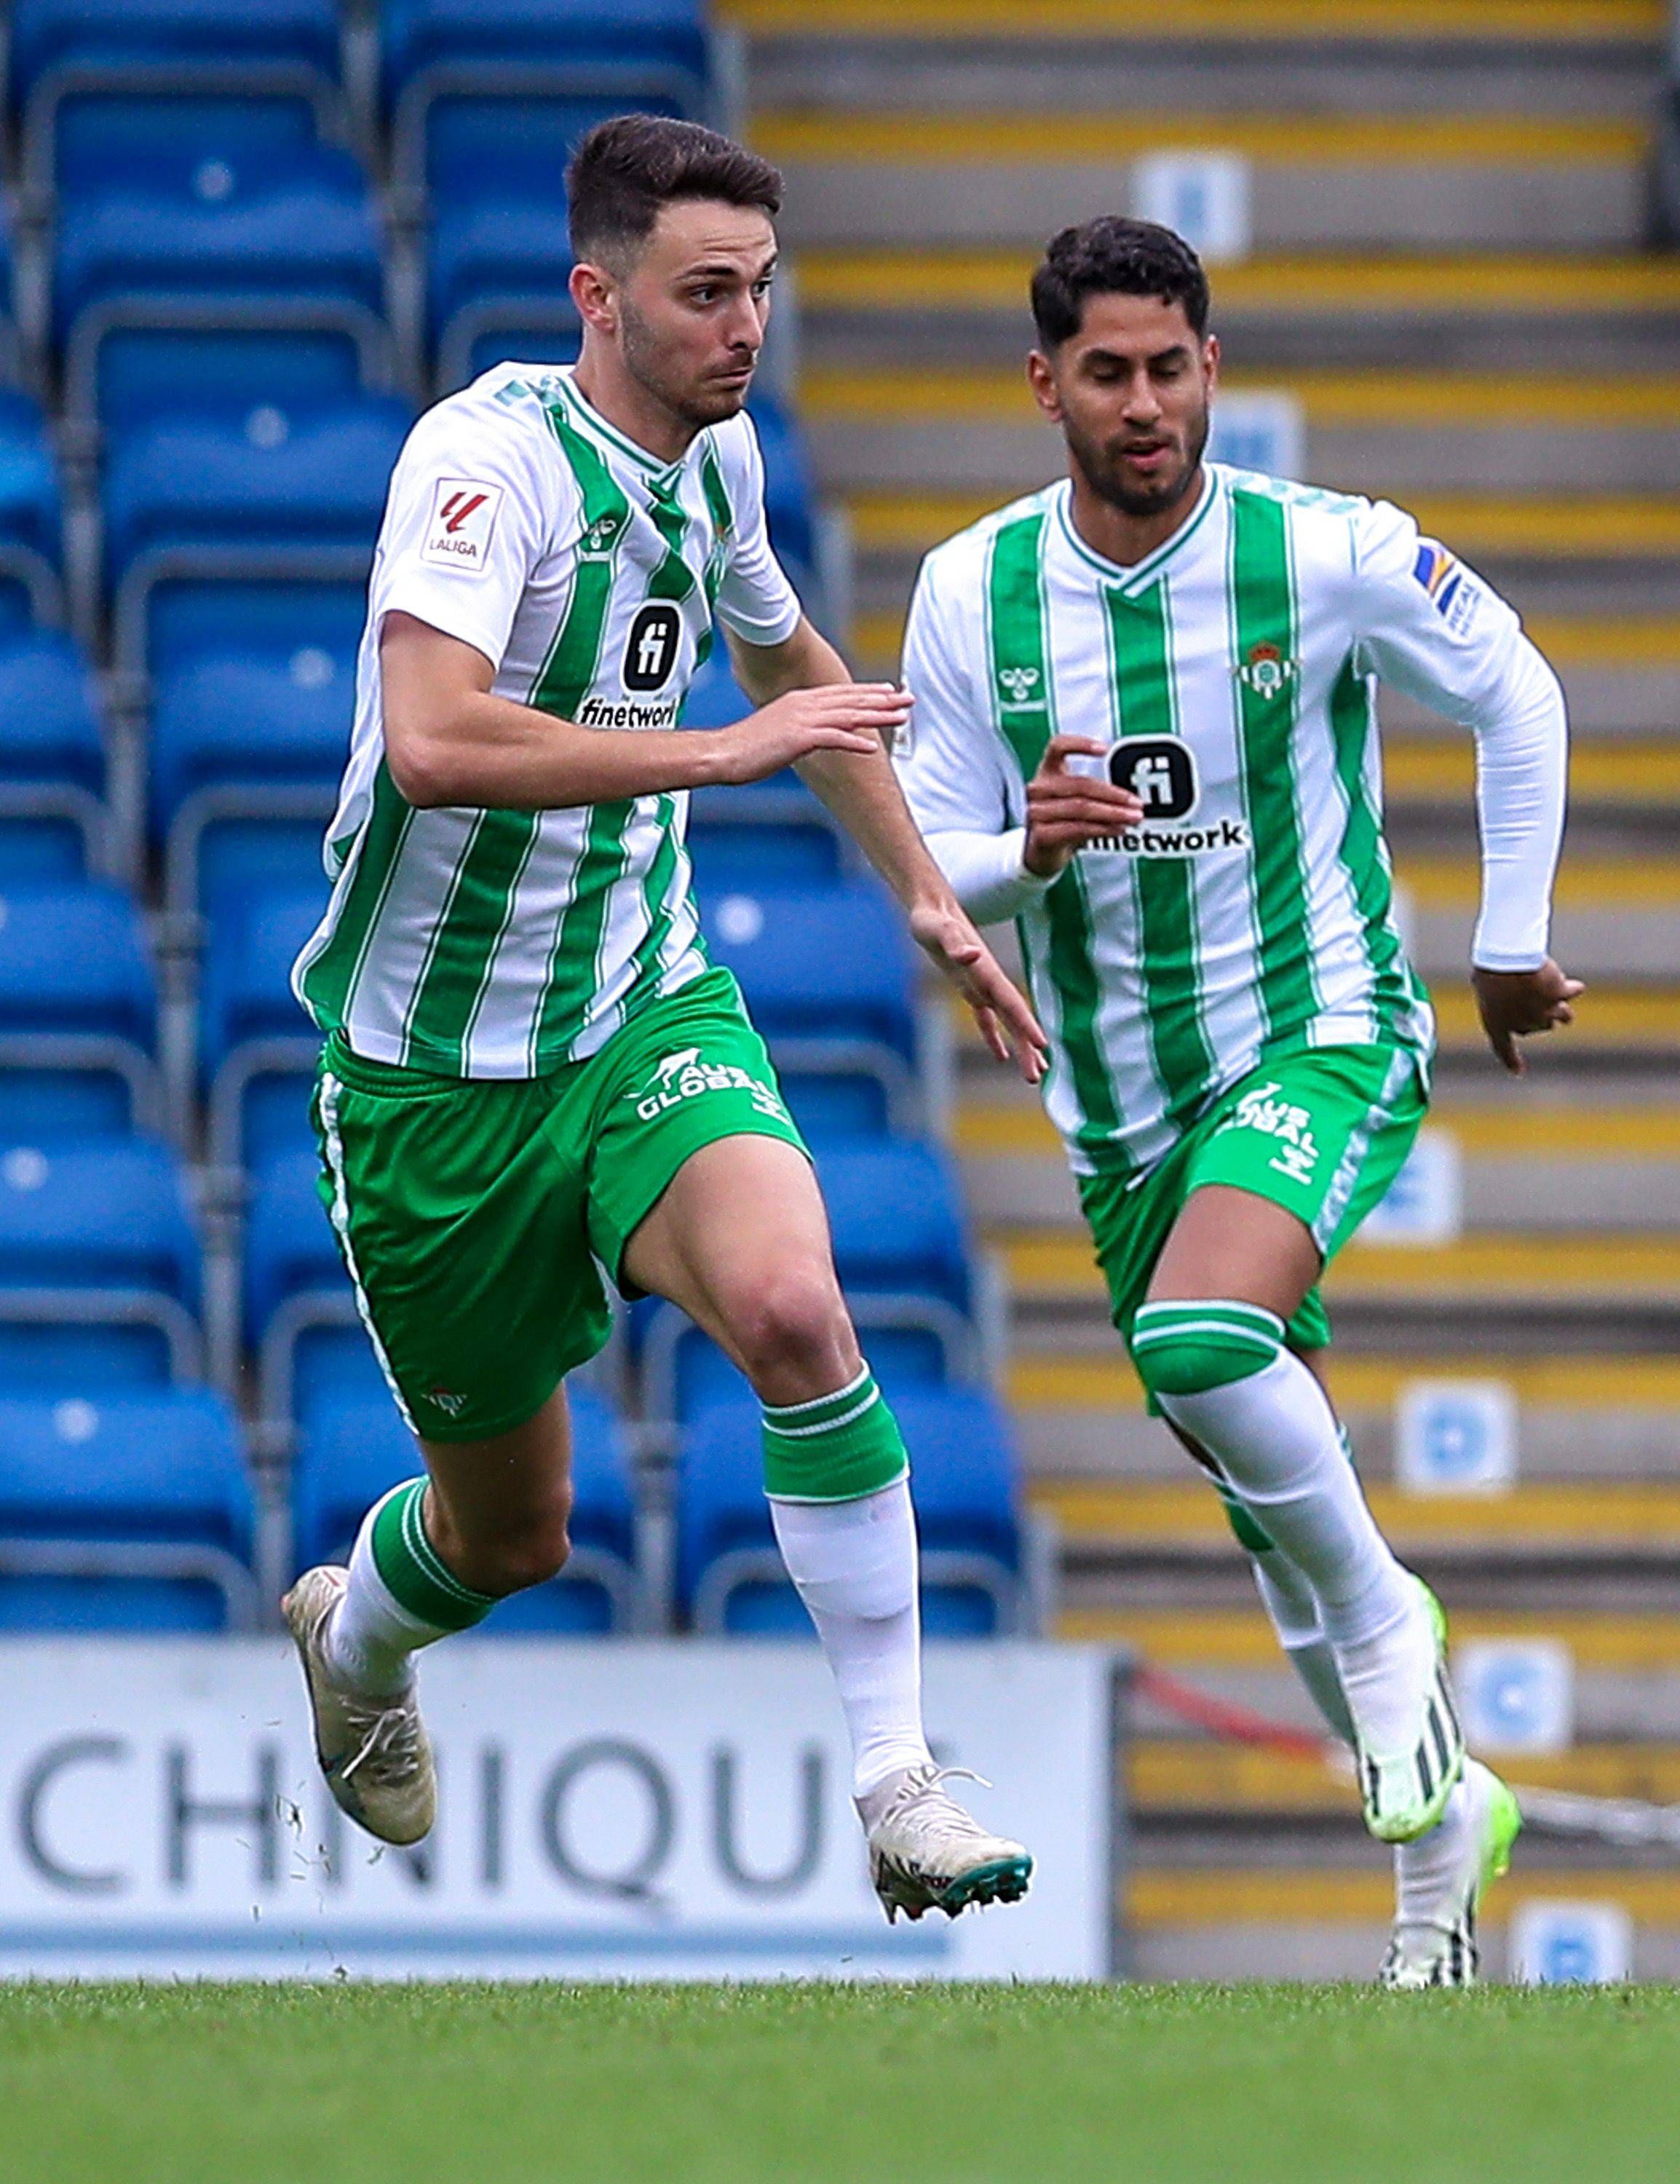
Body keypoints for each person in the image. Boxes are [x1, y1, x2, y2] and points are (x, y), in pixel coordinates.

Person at [279, 114, 1040, 1921]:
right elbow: (437, 739)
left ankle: (898, 1779)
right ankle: (356, 1637)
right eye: (708, 294)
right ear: (596, 299)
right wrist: (718, 752)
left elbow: (792, 669)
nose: (744, 329)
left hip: (636, 1009)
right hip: (432, 1087)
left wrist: (928, 894)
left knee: (795, 1303)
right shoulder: (486, 465)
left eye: (761, 291)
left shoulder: (720, 467)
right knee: (513, 1536)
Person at [892, 216, 1577, 1987]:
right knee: (1273, 1506)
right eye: (1107, 372)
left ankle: (1392, 1622)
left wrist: (1508, 938)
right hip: (1122, 1109)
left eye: (1171, 367)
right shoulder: (974, 593)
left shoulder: (1322, 550)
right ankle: (1441, 1869)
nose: (1145, 404)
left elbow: (1516, 684)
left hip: (1322, 1025)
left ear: (1212, 369)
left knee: (1203, 1341)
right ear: (1045, 382)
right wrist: (1012, 850)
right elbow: (933, 867)